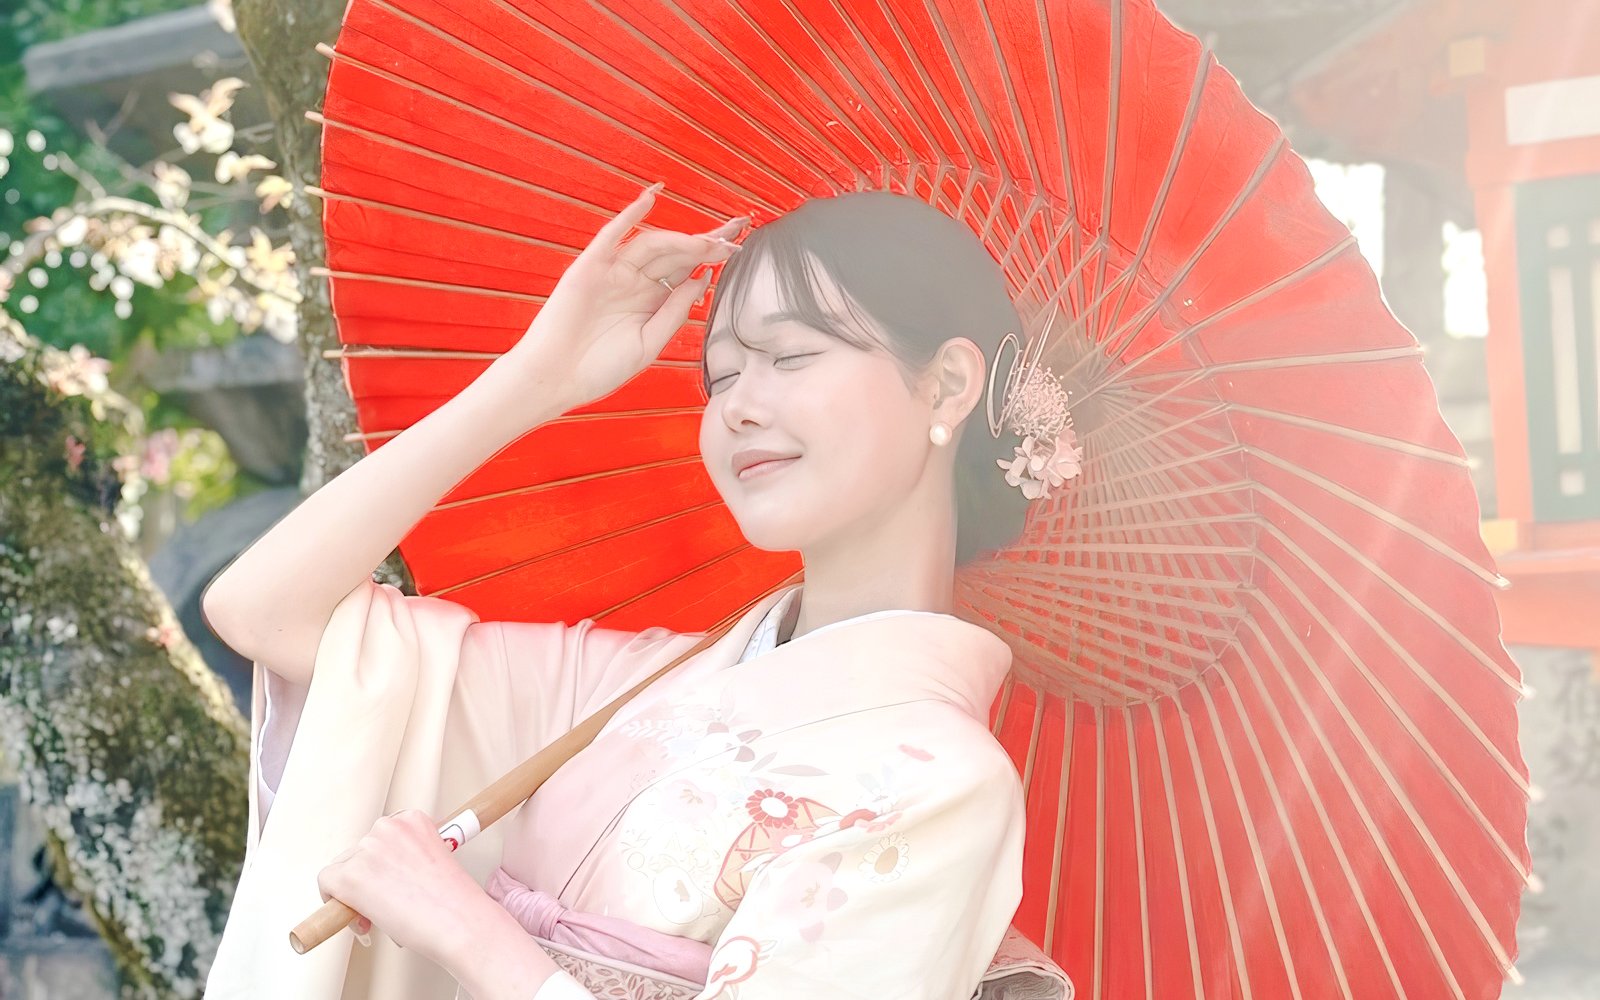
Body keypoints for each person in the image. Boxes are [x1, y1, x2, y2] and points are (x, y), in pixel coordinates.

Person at [201, 184, 1052, 999]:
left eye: (790, 356)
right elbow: (265, 610)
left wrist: (470, 934)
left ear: (945, 385)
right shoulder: (626, 689)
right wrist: (540, 376)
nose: (739, 408)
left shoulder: (946, 782)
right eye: (718, 377)